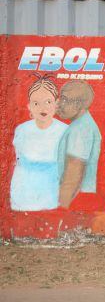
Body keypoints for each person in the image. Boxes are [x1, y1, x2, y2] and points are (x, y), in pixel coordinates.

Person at [10, 74, 68, 211]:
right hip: (22, 194)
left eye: (48, 102)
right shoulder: (22, 130)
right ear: (29, 106)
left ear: (56, 103)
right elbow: (18, 157)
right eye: (36, 103)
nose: (43, 108)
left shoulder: (64, 131)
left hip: (51, 196)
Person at [56, 80, 102, 208]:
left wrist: (60, 209)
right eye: (61, 98)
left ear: (79, 105)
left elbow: (73, 176)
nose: (59, 104)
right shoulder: (82, 124)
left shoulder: (81, 129)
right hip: (78, 198)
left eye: (65, 100)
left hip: (74, 201)